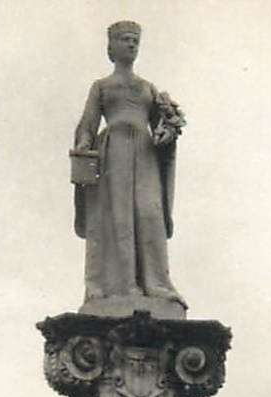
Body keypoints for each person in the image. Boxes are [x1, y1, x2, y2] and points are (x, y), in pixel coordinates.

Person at [73, 21, 186, 317]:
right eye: (125, 39)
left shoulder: (148, 88)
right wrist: (85, 145)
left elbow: (162, 126)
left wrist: (167, 132)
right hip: (114, 154)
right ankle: (121, 286)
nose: (132, 44)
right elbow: (87, 125)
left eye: (136, 40)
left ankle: (156, 284)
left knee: (148, 214)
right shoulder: (102, 86)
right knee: (118, 216)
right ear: (111, 46)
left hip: (145, 155)